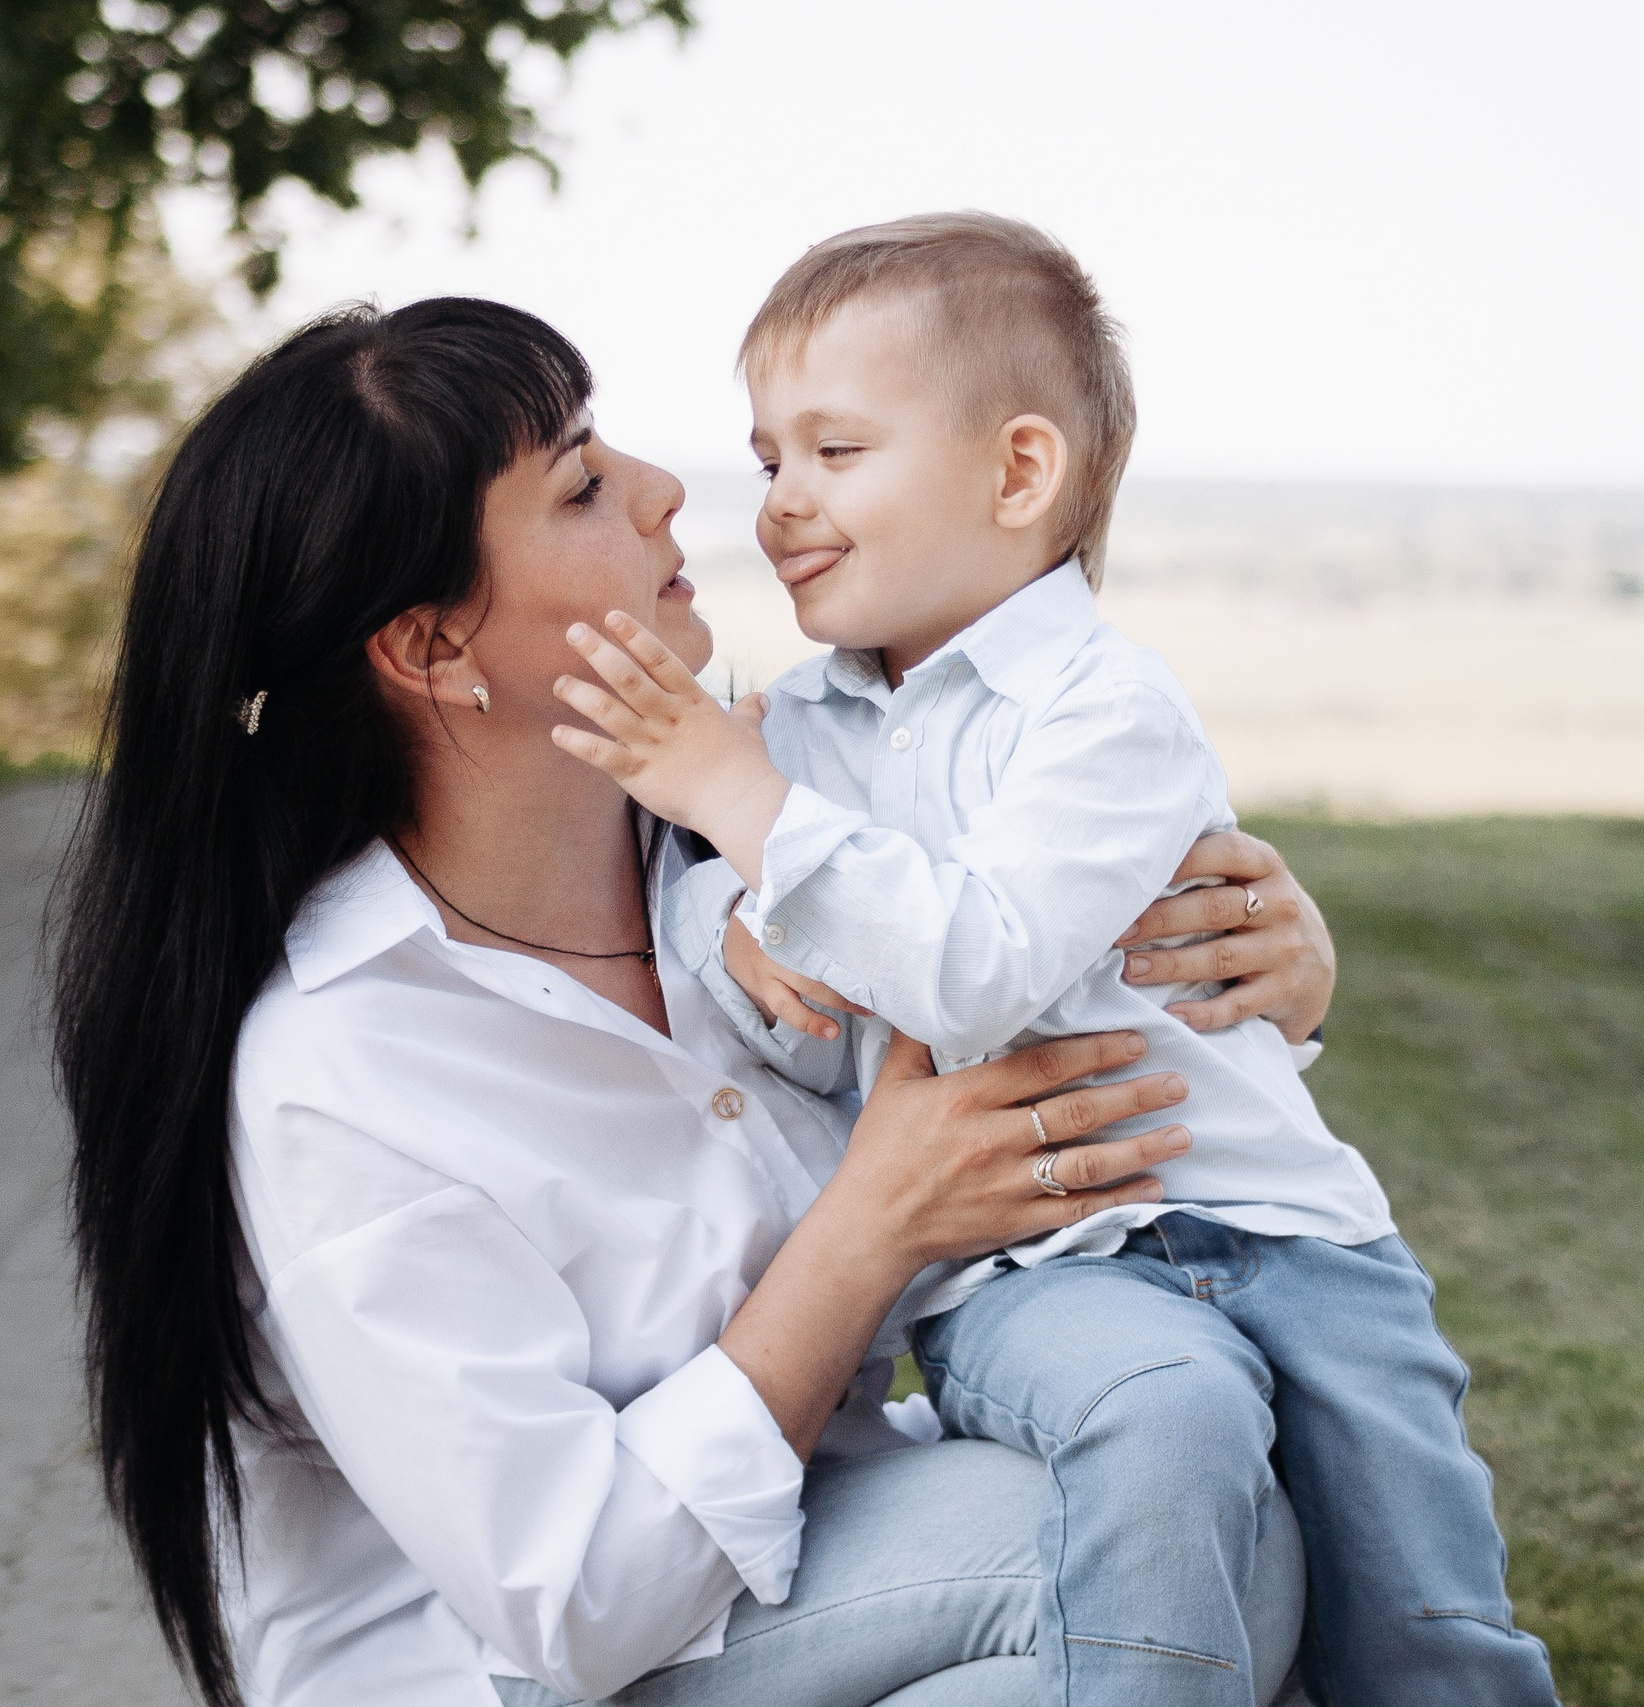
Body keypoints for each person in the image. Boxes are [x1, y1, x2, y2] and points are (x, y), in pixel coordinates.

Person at [51, 297, 1339, 1707]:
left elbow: (1007, 961)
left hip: (787, 1582)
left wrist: (1258, 976)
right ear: (432, 651)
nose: (669, 490)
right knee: (1132, 1552)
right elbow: (579, 1600)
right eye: (584, 485)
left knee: (1190, 1548)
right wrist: (869, 1230)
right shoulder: (346, 1061)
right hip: (530, 1666)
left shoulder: (757, 851)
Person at [551, 215, 1560, 1706]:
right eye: (769, 461)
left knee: (1429, 1628)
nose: (776, 506)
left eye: (835, 452)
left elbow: (977, 968)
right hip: (1025, 1275)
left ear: (1020, 474)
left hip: (1294, 1240)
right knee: (1164, 1422)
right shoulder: (784, 740)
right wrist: (727, 921)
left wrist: (731, 802)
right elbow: (797, 1026)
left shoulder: (1107, 712)